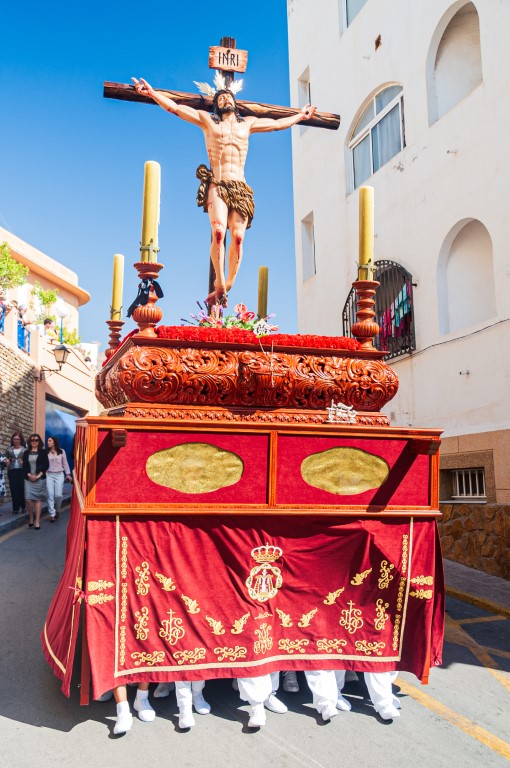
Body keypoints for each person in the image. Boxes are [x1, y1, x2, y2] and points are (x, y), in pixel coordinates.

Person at [132, 76, 316, 307]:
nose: (225, 99)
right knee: (219, 232)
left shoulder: (248, 124)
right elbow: (175, 108)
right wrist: (152, 93)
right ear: (216, 104)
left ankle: (227, 284)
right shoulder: (207, 121)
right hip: (218, 184)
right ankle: (218, 280)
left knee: (237, 238)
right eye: (220, 98)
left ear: (235, 103)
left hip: (240, 187)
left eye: (228, 97)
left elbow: (277, 124)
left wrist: (300, 116)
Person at [23, 433, 49, 529]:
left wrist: (38, 476)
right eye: (32, 440)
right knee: (28, 499)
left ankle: (37, 521)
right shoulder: (26, 452)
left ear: (39, 442)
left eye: (36, 440)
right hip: (28, 479)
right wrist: (30, 475)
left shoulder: (43, 452)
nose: (34, 442)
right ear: (29, 442)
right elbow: (24, 466)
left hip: (39, 478)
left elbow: (46, 465)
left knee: (38, 499)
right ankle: (31, 518)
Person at [45, 436, 72, 521]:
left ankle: (58, 509)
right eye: (48, 441)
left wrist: (68, 474)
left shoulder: (61, 451)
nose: (48, 442)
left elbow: (65, 463)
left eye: (50, 441)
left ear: (54, 442)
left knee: (58, 495)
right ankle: (52, 514)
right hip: (49, 475)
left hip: (59, 475)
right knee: (50, 494)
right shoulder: (46, 452)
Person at [4, 431, 26, 514]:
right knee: (13, 489)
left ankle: (23, 507)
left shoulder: (25, 450)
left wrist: (24, 462)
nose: (16, 441)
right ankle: (15, 508)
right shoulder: (9, 449)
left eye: (18, 439)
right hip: (12, 471)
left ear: (21, 440)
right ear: (12, 439)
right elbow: (5, 458)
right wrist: (6, 461)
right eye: (14, 439)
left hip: (22, 471)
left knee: (22, 489)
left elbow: (28, 461)